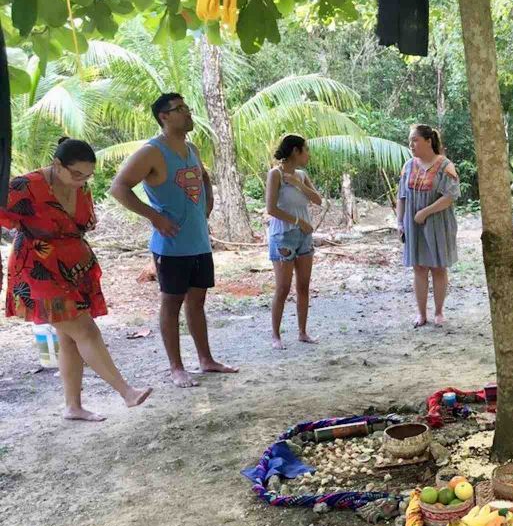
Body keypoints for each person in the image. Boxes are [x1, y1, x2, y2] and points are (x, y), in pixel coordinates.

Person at [1, 139, 152, 421]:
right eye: (76, 174)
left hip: (74, 268)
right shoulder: (25, 185)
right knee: (86, 331)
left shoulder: (80, 186)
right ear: (57, 165)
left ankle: (73, 407)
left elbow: (85, 223)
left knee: (69, 339)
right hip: (38, 269)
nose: (82, 181)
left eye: (87, 176)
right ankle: (126, 392)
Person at [110, 93, 237, 386]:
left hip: (198, 241)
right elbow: (119, 187)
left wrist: (209, 201)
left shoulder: (190, 148)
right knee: (171, 302)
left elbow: (203, 177)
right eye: (179, 109)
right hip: (171, 245)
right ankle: (176, 367)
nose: (187, 113)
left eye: (187, 107)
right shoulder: (152, 152)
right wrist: (154, 217)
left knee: (198, 301)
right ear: (164, 117)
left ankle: (206, 360)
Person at [396, 124, 460, 327]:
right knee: (419, 267)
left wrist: (425, 212)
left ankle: (439, 312)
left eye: (415, 140)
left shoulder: (445, 165)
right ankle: (421, 313)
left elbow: (450, 197)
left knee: (438, 268)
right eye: (410, 141)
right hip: (413, 225)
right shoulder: (408, 166)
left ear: (428, 141)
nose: (411, 144)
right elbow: (402, 196)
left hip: (438, 222)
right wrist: (400, 221)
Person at [265, 135, 323, 349]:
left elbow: (317, 200)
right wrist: (298, 221)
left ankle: (302, 331)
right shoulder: (275, 174)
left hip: (304, 236)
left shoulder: (301, 175)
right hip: (283, 235)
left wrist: (299, 184)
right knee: (283, 287)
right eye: (305, 150)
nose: (308, 154)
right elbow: (271, 209)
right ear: (295, 151)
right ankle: (275, 335)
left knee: (303, 285)